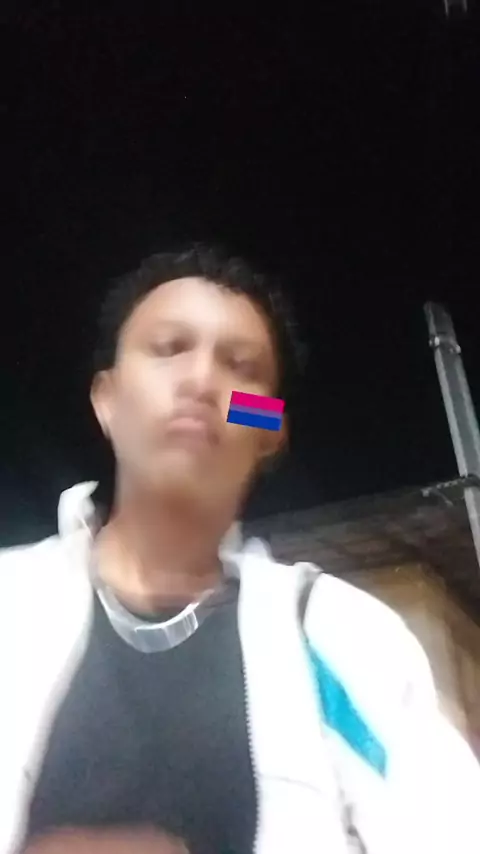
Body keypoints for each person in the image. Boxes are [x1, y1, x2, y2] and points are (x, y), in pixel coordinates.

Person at [1, 244, 478, 854]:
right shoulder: (9, 605)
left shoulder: (344, 639)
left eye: (242, 368)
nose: (202, 382)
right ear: (108, 400)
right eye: (168, 348)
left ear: (269, 430)